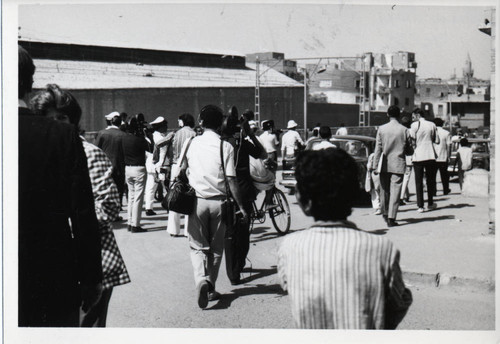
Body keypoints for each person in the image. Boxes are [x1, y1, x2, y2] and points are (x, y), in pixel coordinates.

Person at [30, 84, 131, 327]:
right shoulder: (38, 154)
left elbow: (107, 206)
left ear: (73, 120)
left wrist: (64, 219)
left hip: (91, 260)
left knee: (87, 329)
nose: (55, 123)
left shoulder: (89, 153)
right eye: (48, 118)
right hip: (51, 261)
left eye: (61, 118)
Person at [277, 149, 412, 329]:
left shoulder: (289, 247)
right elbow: (399, 302)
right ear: (354, 194)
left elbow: (290, 288)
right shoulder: (381, 249)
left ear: (302, 200)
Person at [18, 46, 102, 327]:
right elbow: (82, 215)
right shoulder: (63, 136)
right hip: (50, 276)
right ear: (30, 85)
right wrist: (91, 279)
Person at [174, 105, 247, 308]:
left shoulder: (191, 142)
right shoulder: (226, 147)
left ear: (201, 122)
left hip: (196, 202)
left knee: (197, 247)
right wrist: (241, 206)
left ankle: (200, 280)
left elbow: (181, 170)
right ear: (220, 124)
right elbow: (232, 180)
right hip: (220, 203)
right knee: (216, 249)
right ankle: (211, 286)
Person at [221, 109, 266, 286]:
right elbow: (262, 154)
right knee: (243, 234)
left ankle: (233, 273)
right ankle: (238, 267)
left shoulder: (220, 144)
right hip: (244, 193)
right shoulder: (242, 144)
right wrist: (250, 135)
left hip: (224, 193)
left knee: (229, 234)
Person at [373, 105, 411, 227]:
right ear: (399, 115)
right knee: (395, 191)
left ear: (387, 114)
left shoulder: (382, 129)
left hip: (384, 163)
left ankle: (384, 212)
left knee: (384, 190)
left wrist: (375, 165)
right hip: (398, 163)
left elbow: (377, 148)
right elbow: (409, 149)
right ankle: (391, 217)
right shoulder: (404, 130)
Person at [166, 113, 196, 237]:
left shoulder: (176, 134)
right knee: (190, 196)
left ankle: (173, 229)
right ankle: (188, 231)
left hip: (176, 166)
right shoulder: (195, 134)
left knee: (175, 195)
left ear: (183, 122)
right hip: (190, 167)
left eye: (179, 121)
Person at [96, 111, 127, 212]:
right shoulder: (123, 134)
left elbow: (96, 149)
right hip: (120, 166)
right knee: (119, 188)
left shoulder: (102, 133)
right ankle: (117, 209)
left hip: (104, 166)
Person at [122, 117, 149, 232]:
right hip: (139, 168)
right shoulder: (140, 139)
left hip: (128, 168)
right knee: (138, 198)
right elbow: (150, 147)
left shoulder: (124, 138)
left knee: (131, 197)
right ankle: (136, 224)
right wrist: (144, 133)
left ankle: (130, 222)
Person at [410, 108, 440, 213]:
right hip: (430, 154)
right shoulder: (432, 124)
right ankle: (430, 203)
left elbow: (412, 140)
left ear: (417, 115)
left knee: (418, 182)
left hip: (418, 156)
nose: (413, 119)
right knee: (430, 180)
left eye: (413, 116)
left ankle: (420, 206)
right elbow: (437, 140)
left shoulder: (414, 126)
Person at [144, 116, 173, 216]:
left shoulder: (154, 135)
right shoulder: (159, 137)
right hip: (160, 165)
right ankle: (169, 206)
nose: (166, 127)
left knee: (151, 187)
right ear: (160, 126)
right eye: (165, 125)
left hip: (153, 165)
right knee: (166, 187)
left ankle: (149, 208)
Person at [433, 118, 452, 195]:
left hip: (433, 157)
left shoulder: (432, 132)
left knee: (432, 176)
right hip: (443, 157)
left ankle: (433, 191)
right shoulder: (446, 133)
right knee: (444, 175)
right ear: (442, 124)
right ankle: (445, 189)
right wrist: (449, 156)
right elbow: (449, 146)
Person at [400, 115, 414, 204]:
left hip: (401, 156)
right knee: (406, 177)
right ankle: (401, 197)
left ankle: (406, 195)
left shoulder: (400, 131)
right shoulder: (411, 131)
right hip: (409, 156)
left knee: (403, 177)